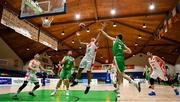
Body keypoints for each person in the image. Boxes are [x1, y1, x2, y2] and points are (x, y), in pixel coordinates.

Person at [99, 23, 141, 97]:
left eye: (116, 36)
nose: (115, 36)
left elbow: (107, 36)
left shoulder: (115, 39)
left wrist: (102, 30)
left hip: (117, 58)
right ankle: (118, 90)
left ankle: (134, 83)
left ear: (117, 37)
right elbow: (130, 51)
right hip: (121, 58)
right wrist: (122, 50)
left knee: (121, 74)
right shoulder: (122, 43)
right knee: (119, 74)